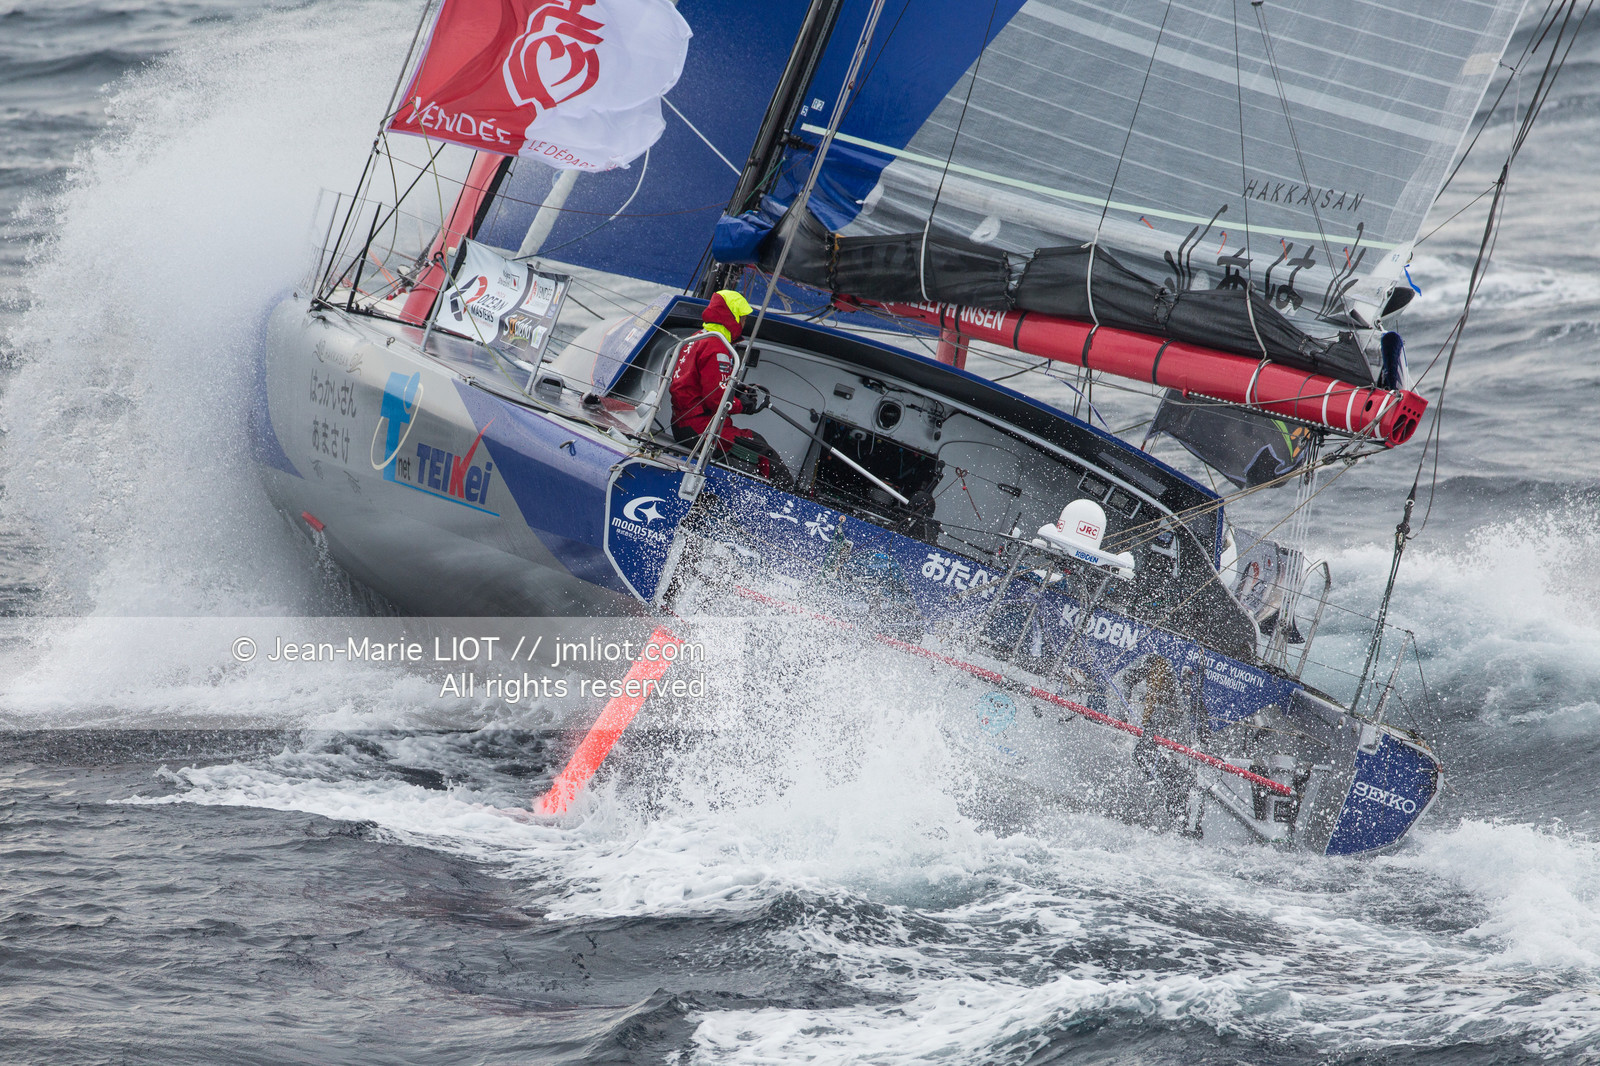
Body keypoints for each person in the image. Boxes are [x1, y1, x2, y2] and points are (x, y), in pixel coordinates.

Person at [669, 289, 793, 487]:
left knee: (750, 442)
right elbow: (716, 400)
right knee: (763, 450)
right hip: (702, 429)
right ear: (731, 317)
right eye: (741, 318)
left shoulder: (699, 337)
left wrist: (736, 393)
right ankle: (786, 497)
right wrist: (742, 405)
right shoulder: (717, 347)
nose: (743, 324)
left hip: (683, 424)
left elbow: (704, 386)